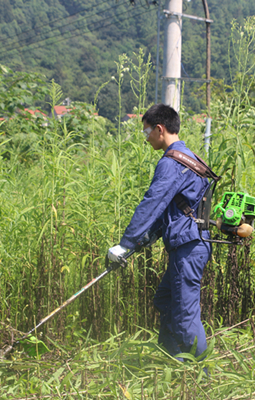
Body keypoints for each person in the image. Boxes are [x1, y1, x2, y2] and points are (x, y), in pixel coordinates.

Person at [107, 104, 212, 359]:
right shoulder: (189, 157)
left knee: (186, 320)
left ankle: (201, 377)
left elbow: (152, 203)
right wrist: (144, 239)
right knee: (165, 300)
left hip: (188, 247)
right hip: (189, 243)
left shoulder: (171, 162)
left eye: (146, 133)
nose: (146, 139)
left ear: (160, 129)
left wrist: (126, 243)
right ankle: (173, 361)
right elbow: (172, 208)